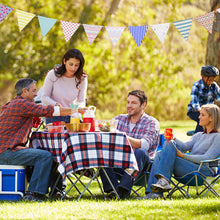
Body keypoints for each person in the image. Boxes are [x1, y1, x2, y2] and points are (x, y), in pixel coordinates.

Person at [0, 78, 73, 201]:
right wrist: (75, 110)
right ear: (25, 91)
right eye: (34, 91)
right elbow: (48, 111)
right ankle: (34, 194)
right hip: (7, 152)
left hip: (6, 150)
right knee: (44, 156)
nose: (36, 94)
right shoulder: (22, 104)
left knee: (45, 154)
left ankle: (55, 191)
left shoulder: (14, 104)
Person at [139, 104, 220, 200]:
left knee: (163, 153)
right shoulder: (198, 135)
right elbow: (185, 146)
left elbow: (207, 157)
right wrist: (173, 139)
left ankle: (159, 186)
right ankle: (157, 190)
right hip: (189, 167)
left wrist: (183, 156)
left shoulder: (218, 137)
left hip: (203, 171)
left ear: (211, 118)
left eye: (202, 115)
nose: (199, 117)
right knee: (164, 149)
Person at [99, 90, 160, 199]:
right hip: (119, 161)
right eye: (128, 102)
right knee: (102, 152)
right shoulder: (119, 119)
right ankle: (113, 191)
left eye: (133, 103)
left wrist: (121, 136)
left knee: (139, 152)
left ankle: (122, 190)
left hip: (142, 164)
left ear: (143, 105)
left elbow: (144, 145)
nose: (129, 106)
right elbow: (103, 129)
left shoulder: (151, 122)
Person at [41, 48, 88, 124]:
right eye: (71, 64)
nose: (73, 68)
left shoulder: (82, 78)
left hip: (73, 117)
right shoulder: (53, 74)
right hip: (55, 116)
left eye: (76, 65)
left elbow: (81, 100)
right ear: (64, 61)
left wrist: (78, 108)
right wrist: (55, 104)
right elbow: (44, 97)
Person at [187, 65, 220, 134]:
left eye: (213, 79)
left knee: (214, 120)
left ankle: (205, 132)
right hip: (194, 110)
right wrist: (202, 111)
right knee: (203, 119)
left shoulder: (214, 86)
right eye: (210, 79)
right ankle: (198, 134)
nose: (211, 81)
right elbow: (194, 102)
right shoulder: (196, 85)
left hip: (209, 111)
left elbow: (219, 98)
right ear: (204, 77)